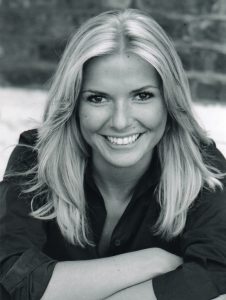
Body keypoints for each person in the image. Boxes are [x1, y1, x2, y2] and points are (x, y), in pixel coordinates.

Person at [0, 8, 226, 300]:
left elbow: (217, 274)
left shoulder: (203, 169)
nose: (120, 121)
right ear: (74, 105)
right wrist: (152, 262)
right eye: (98, 98)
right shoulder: (37, 158)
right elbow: (13, 275)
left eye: (142, 96)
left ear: (168, 102)